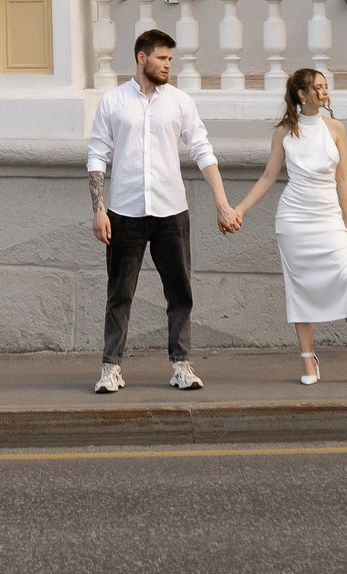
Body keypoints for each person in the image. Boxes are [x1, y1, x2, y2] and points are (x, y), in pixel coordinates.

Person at [86, 28, 241, 395]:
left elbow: (202, 150)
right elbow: (97, 155)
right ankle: (111, 367)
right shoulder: (112, 102)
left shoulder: (180, 102)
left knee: (180, 292)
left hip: (172, 210)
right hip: (125, 211)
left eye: (171, 59)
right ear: (142, 58)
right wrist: (99, 208)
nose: (168, 65)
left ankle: (181, 365)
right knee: (119, 293)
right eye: (162, 58)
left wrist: (221, 202)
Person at [232, 66, 347, 386]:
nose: (325, 92)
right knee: (300, 288)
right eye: (319, 87)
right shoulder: (284, 132)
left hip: (328, 218)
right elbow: (269, 177)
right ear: (302, 94)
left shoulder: (336, 129)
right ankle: (307, 358)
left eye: (326, 87)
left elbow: (343, 178)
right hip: (294, 220)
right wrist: (239, 209)